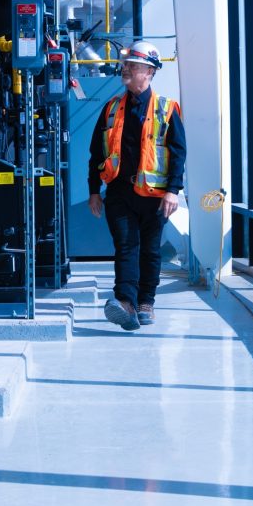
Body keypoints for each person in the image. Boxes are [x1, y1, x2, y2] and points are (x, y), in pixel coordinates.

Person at [88, 40, 186, 330]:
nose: (126, 69)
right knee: (125, 247)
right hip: (119, 193)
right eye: (126, 64)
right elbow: (96, 152)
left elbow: (179, 152)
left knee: (150, 250)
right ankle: (125, 302)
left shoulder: (167, 110)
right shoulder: (111, 108)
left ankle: (146, 302)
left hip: (154, 196)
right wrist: (94, 190)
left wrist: (173, 191)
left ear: (150, 71)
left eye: (133, 65)